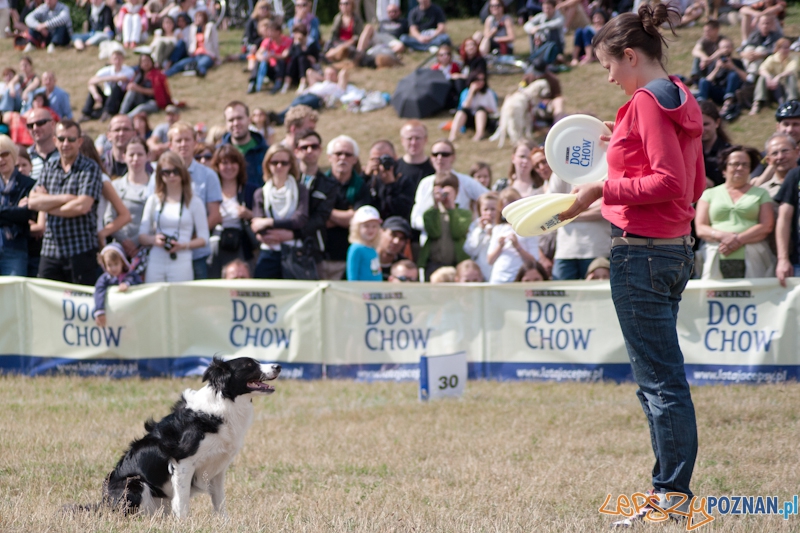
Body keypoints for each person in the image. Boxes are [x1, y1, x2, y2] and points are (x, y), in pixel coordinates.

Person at [557, 5, 705, 524]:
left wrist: (601, 186)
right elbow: (692, 185)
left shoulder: (645, 102)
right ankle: (669, 492)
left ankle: (669, 498)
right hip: (673, 249)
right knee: (663, 380)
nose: (610, 77)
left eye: (608, 67)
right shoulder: (679, 95)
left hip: (640, 253)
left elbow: (665, 181)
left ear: (628, 55)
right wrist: (619, 135)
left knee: (661, 384)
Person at [28, 120, 103, 285]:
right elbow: (32, 202)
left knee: (79, 305)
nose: (65, 143)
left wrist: (47, 205)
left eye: (71, 139)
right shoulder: (49, 167)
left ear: (80, 141)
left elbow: (82, 206)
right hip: (50, 250)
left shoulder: (90, 168)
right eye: (61, 139)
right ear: (55, 140)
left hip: (80, 250)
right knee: (46, 303)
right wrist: (65, 198)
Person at [696, 145, 775, 279]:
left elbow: (766, 225)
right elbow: (701, 228)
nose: (740, 168)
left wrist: (737, 239)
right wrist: (722, 236)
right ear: (724, 169)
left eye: (745, 165)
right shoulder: (709, 194)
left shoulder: (761, 194)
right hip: (715, 254)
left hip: (753, 256)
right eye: (735, 164)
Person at [161, 121, 221, 279]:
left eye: (187, 140)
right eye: (178, 140)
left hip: (197, 255)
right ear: (170, 145)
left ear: (195, 143)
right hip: (166, 254)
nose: (183, 144)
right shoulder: (159, 174)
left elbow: (215, 215)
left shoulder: (208, 175)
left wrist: (190, 239)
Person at [138, 151, 209, 282]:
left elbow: (204, 238)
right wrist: (153, 240)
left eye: (176, 171)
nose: (171, 175)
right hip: (156, 258)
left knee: (180, 300)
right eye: (166, 171)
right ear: (160, 175)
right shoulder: (154, 200)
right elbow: (142, 235)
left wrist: (183, 245)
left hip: (182, 259)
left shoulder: (194, 201)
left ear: (183, 173)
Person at [411, 139, 488, 245]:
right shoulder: (425, 183)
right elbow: (415, 218)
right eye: (435, 154)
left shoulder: (465, 181)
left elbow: (490, 198)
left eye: (445, 154)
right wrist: (433, 224)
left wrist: (474, 224)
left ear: (453, 157)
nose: (439, 158)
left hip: (459, 243)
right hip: (430, 245)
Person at [250, 145, 309, 279]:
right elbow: (257, 226)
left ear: (291, 165)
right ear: (267, 164)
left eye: (284, 163)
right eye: (274, 162)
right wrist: (283, 232)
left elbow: (300, 220)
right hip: (268, 252)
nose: (279, 166)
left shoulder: (300, 190)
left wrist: (270, 222)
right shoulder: (260, 193)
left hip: (294, 252)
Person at [322, 135, 371, 280]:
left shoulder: (361, 186)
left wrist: (326, 212)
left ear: (355, 159)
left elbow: (358, 220)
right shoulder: (320, 184)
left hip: (348, 256)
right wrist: (346, 214)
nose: (342, 157)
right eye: (338, 154)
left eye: (348, 154)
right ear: (329, 157)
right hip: (321, 256)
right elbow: (316, 219)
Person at [208, 145, 253, 279]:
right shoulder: (209, 191)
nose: (229, 167)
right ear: (217, 166)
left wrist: (248, 214)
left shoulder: (250, 190)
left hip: (242, 246)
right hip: (215, 246)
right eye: (224, 163)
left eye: (233, 162)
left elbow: (260, 216)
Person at [417, 173, 472, 279]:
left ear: (456, 192)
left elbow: (457, 232)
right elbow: (434, 233)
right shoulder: (429, 214)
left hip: (456, 264)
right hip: (434, 264)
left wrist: (451, 208)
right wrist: (436, 206)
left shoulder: (464, 214)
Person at [107, 136, 150, 258]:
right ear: (124, 157)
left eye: (140, 154)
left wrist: (138, 241)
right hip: (120, 250)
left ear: (148, 156)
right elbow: (109, 218)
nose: (135, 159)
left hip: (149, 249)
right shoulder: (115, 186)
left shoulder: (157, 186)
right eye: (131, 155)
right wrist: (125, 241)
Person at [220, 101, 268, 209]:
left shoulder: (266, 152)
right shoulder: (218, 154)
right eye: (231, 120)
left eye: (239, 118)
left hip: (260, 209)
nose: (236, 123)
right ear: (226, 123)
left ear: (249, 119)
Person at [0, 134, 36, 275]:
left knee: (14, 295)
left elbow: (25, 214)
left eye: (4, 154)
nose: (1, 159)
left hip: (15, 250)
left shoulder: (28, 184)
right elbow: (17, 213)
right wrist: (13, 211)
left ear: (13, 154)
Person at [486, 187, 539, 284]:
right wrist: (500, 246)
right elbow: (490, 260)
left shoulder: (529, 228)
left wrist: (518, 247)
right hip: (499, 279)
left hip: (519, 279)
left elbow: (534, 261)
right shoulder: (498, 229)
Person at [696, 37, 747, 120]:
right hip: (717, 91)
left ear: (732, 48)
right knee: (702, 80)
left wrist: (733, 67)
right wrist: (717, 69)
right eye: (723, 47)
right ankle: (701, 105)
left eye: (728, 47)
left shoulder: (737, 62)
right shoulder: (714, 63)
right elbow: (707, 81)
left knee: (733, 74)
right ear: (719, 50)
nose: (726, 50)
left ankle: (728, 103)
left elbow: (746, 78)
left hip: (732, 92)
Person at [92, 242, 142, 327]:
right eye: (109, 265)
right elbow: (99, 292)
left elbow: (139, 284)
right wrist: (100, 311)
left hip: (131, 318)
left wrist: (128, 284)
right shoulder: (104, 279)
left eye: (116, 264)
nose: (113, 268)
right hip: (114, 320)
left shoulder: (131, 275)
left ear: (122, 262)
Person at [364, 139, 415, 221]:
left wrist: (391, 185)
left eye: (386, 158)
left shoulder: (404, 181)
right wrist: (365, 176)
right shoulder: (368, 180)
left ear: (395, 157)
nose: (382, 163)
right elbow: (358, 204)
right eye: (377, 160)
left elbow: (403, 212)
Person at [80, 50, 135, 123]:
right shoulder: (106, 70)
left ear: (123, 60)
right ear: (111, 60)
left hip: (119, 98)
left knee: (115, 86)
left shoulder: (128, 70)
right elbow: (91, 82)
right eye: (115, 59)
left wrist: (102, 79)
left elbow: (122, 78)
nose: (117, 61)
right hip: (107, 96)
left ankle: (108, 112)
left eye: (119, 59)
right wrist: (95, 94)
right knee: (95, 88)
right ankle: (86, 113)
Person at [751, 38, 798, 115]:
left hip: (787, 86)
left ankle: (792, 101)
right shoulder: (772, 58)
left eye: (788, 47)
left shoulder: (794, 57)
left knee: (791, 76)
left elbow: (792, 70)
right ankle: (758, 102)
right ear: (778, 49)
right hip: (774, 87)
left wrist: (778, 77)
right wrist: (769, 77)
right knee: (762, 77)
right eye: (784, 47)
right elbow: (762, 69)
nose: (787, 50)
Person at [165, 10, 219, 78]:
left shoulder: (210, 27)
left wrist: (217, 58)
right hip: (195, 55)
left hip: (207, 54)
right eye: (196, 17)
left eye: (200, 16)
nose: (197, 19)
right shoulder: (193, 28)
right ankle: (165, 74)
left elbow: (215, 43)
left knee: (202, 64)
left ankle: (201, 73)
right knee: (179, 64)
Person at [449, 70, 498, 142]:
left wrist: (484, 108)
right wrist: (471, 92)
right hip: (470, 120)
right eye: (478, 80)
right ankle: (453, 135)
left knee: (480, 110)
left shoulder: (488, 92)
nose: (480, 82)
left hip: (485, 120)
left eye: (482, 80)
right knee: (462, 111)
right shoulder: (466, 92)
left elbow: (494, 110)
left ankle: (480, 134)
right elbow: (465, 106)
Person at [120, 54, 173, 118]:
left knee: (141, 108)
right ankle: (121, 113)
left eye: (148, 61)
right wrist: (131, 86)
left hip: (154, 102)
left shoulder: (157, 75)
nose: (146, 63)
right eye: (143, 61)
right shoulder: (138, 74)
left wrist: (138, 89)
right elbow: (131, 86)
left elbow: (156, 92)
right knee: (131, 91)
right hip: (141, 99)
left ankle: (125, 118)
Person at [463, 191, 498, 281]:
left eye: (493, 209)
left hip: (496, 271)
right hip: (481, 273)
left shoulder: (502, 226)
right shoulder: (475, 226)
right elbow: (470, 249)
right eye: (486, 209)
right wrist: (481, 230)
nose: (489, 213)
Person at [751, 133, 798, 198]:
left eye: (785, 151)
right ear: (768, 160)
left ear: (797, 152)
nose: (780, 157)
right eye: (775, 153)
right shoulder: (762, 192)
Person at [251, 19, 292, 94]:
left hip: (283, 68)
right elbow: (258, 53)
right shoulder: (267, 41)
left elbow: (284, 55)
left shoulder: (287, 40)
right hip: (271, 67)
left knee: (281, 62)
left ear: (278, 32)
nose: (269, 33)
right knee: (258, 62)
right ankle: (252, 82)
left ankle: (278, 83)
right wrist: (263, 58)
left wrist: (273, 56)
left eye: (271, 31)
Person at [699, 100, 731, 188]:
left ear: (717, 123)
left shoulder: (728, 152)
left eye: (706, 124)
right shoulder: (688, 152)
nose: (702, 129)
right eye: (698, 124)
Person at [346, 205, 382, 281]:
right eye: (366, 226)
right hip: (362, 292)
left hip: (376, 291)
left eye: (374, 226)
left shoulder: (373, 249)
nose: (371, 230)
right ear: (357, 227)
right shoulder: (355, 248)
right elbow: (352, 277)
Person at [523, 0, 564, 66]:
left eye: (548, 8)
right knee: (532, 31)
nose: (546, 10)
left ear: (554, 8)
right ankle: (534, 55)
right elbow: (526, 25)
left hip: (556, 45)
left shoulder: (559, 16)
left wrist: (538, 28)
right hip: (542, 42)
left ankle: (554, 56)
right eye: (544, 8)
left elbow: (554, 24)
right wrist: (535, 33)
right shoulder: (541, 16)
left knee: (552, 30)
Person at [396, 120, 435, 190]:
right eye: (409, 138)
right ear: (402, 140)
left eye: (417, 138)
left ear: (426, 140)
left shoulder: (435, 167)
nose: (413, 143)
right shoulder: (395, 168)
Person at [25, 107, 59, 180]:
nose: (35, 128)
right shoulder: (25, 157)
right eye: (30, 125)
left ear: (52, 124)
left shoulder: (65, 153)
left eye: (40, 123)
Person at [376, 215, 411, 279]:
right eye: (393, 235)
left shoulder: (404, 267)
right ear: (381, 232)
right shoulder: (365, 258)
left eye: (402, 238)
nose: (396, 241)